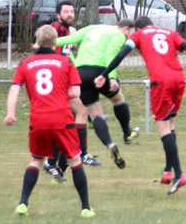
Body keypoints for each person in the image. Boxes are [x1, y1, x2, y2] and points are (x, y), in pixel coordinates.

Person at [95, 16, 186, 195]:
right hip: (178, 79)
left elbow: (121, 54)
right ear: (153, 24)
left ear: (138, 28)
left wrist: (105, 74)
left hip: (161, 82)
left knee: (162, 129)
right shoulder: (170, 33)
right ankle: (168, 171)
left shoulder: (138, 36)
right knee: (171, 125)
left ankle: (179, 175)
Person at [4, 25, 95, 218]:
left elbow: (14, 90)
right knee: (75, 160)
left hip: (39, 120)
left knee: (37, 160)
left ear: (37, 41)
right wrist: (60, 93)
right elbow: (76, 93)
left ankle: (23, 204)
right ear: (55, 42)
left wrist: (10, 113)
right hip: (62, 119)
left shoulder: (25, 63)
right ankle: (86, 208)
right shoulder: (66, 62)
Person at [56, 20, 140, 170]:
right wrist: (112, 76)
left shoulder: (91, 27)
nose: (129, 39)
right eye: (130, 35)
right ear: (126, 29)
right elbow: (111, 54)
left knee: (95, 115)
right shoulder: (118, 35)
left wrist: (42, 43)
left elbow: (68, 40)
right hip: (100, 72)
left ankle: (109, 143)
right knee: (118, 99)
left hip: (81, 74)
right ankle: (127, 133)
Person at [44, 0, 102, 185]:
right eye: (66, 12)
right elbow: (45, 43)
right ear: (58, 15)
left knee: (68, 125)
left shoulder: (68, 32)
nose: (70, 14)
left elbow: (69, 56)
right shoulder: (57, 28)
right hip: (57, 82)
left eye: (72, 11)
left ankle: (55, 167)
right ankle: (81, 154)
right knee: (81, 113)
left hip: (65, 79)